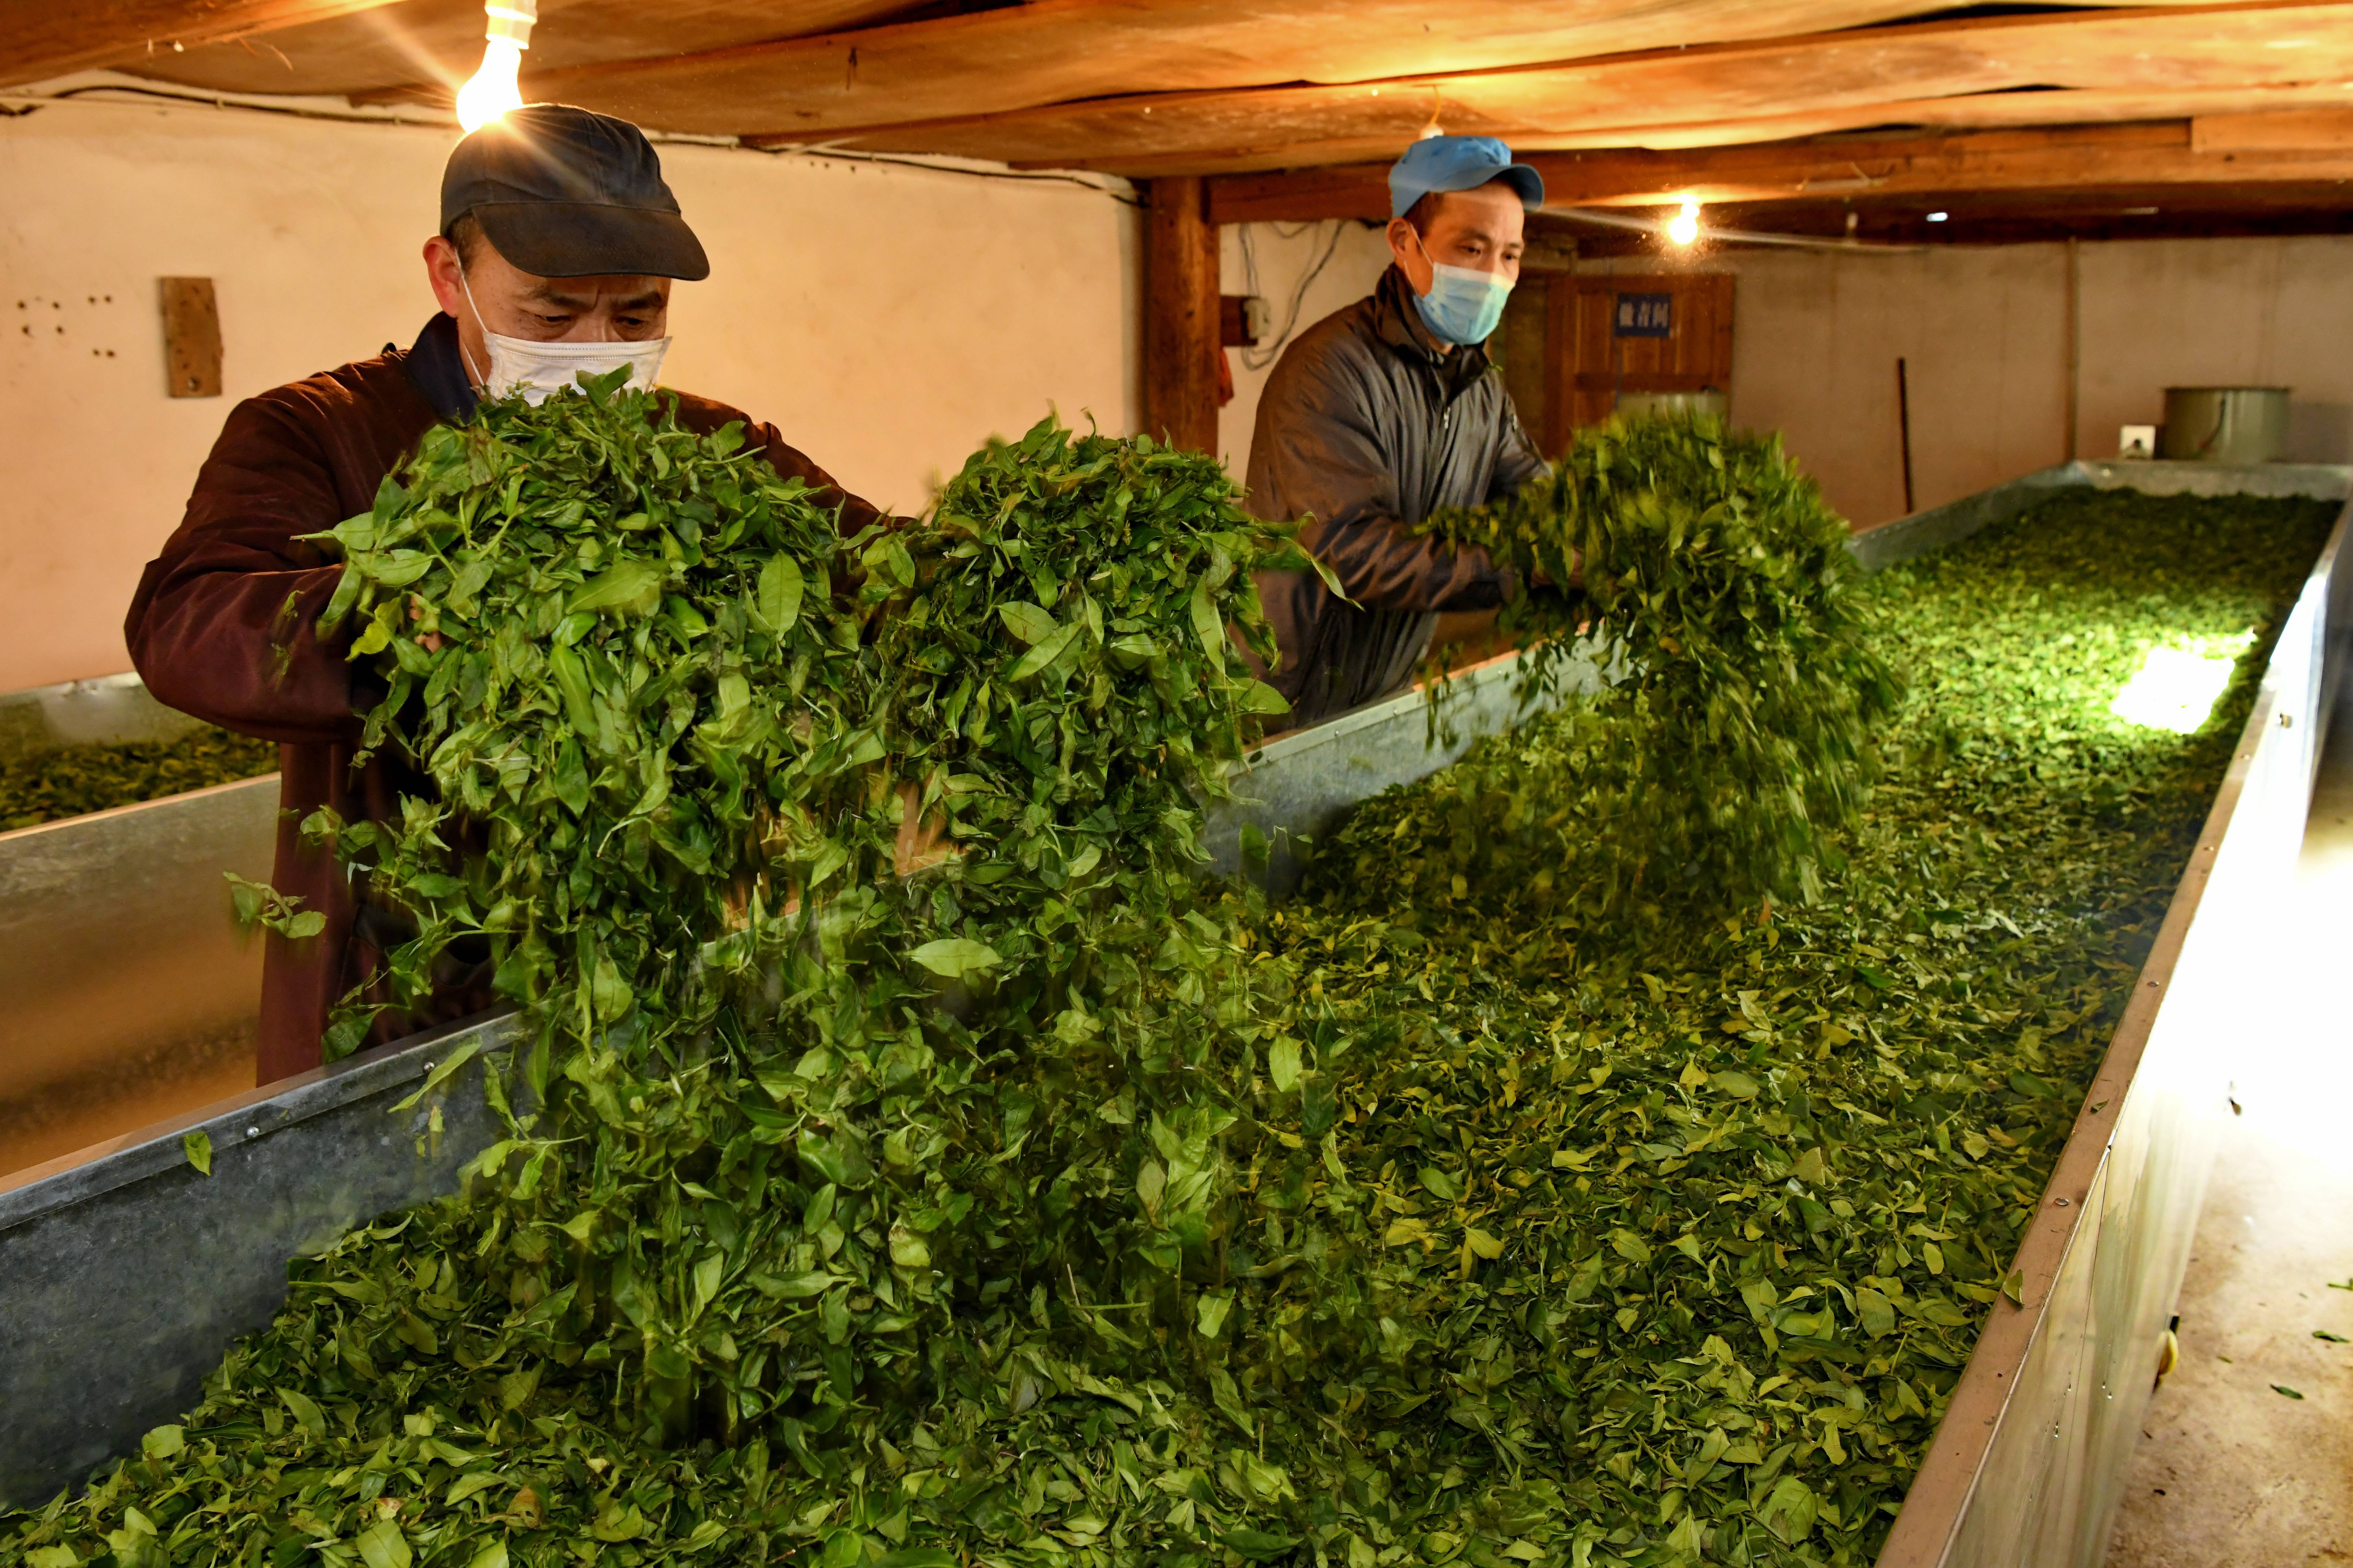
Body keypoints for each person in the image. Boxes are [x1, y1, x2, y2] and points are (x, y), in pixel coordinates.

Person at [126, 105, 886, 1084]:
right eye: (551, 316)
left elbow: (876, 574)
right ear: (450, 277)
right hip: (400, 994)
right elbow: (187, 622)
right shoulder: (322, 433)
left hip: (648, 962)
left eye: (636, 316)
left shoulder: (711, 452)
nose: (596, 347)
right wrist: (411, 612)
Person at [1245, 134, 1558, 728]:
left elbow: (1534, 496)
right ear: (1403, 242)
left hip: (1380, 691)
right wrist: (1521, 566)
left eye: (1510, 255)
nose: (1493, 275)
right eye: (1471, 248)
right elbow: (1353, 554)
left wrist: (1601, 535)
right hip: (1279, 702)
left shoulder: (1481, 390)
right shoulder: (1329, 371)